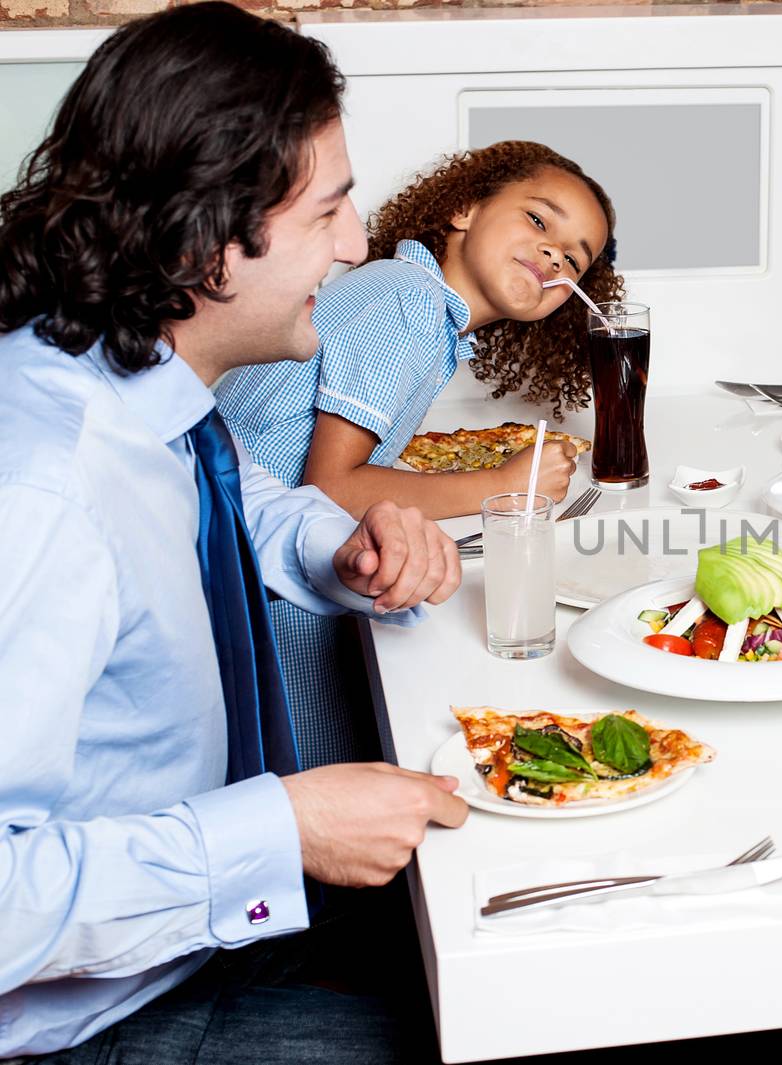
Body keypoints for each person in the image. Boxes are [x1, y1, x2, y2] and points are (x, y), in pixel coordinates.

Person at [0, 5, 469, 1060]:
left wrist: (341, 546)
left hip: (192, 929)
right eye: (332, 212)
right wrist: (281, 833)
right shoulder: (42, 494)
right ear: (210, 242)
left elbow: (238, 497)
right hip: (93, 1019)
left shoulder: (128, 377)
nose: (357, 246)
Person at [216, 141, 620, 766]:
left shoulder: (423, 310)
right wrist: (508, 485)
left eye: (574, 259)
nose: (554, 254)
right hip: (269, 611)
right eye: (538, 221)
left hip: (271, 583)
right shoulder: (403, 305)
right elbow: (331, 487)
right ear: (462, 208)